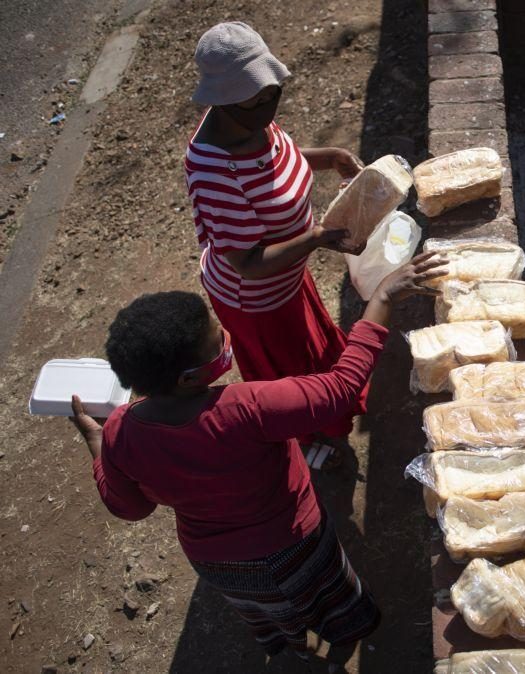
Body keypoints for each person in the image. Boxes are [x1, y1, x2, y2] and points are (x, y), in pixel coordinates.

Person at [68, 253, 446, 660]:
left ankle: (297, 647)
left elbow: (131, 508)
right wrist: (383, 298)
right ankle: (342, 648)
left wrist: (99, 447)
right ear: (189, 378)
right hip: (295, 542)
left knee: (273, 609)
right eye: (218, 337)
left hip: (220, 564)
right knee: (329, 594)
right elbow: (340, 388)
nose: (226, 337)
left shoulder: (122, 432)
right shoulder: (245, 407)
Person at [184, 21, 369, 453]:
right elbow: (247, 262)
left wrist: (332, 158)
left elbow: (276, 157)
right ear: (224, 101)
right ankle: (310, 440)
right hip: (258, 299)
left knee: (316, 354)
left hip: (287, 278)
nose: (270, 104)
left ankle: (331, 413)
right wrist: (316, 238)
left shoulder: (249, 120)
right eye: (259, 98)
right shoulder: (212, 169)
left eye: (272, 93)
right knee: (292, 379)